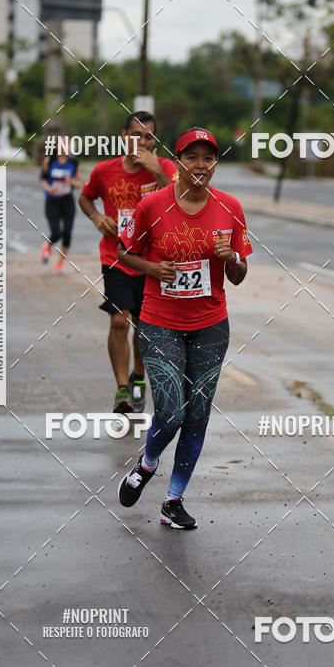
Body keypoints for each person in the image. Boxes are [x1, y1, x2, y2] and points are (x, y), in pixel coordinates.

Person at [116, 127, 252, 529]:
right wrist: (153, 269)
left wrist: (231, 260)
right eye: (191, 157)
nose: (200, 166)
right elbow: (125, 252)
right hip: (160, 323)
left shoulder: (230, 208)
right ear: (177, 163)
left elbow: (240, 275)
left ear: (215, 163)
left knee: (198, 416)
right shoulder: (152, 205)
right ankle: (146, 465)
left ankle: (173, 501)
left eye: (207, 158)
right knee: (172, 412)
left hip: (211, 325)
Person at [78, 111, 178, 414]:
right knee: (119, 320)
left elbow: (177, 199)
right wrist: (97, 217)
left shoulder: (166, 168)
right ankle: (122, 389)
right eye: (136, 135)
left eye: (149, 136)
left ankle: (138, 377)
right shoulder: (104, 171)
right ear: (124, 137)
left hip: (152, 260)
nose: (143, 141)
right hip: (116, 256)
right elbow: (85, 197)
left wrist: (156, 171)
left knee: (144, 327)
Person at [40, 142, 81, 272]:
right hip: (52, 201)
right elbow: (43, 179)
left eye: (68, 144)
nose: (66, 147)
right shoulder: (49, 160)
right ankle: (47, 245)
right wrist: (49, 189)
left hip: (67, 201)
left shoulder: (74, 162)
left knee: (67, 233)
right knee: (56, 233)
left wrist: (72, 182)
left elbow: (79, 183)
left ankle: (59, 263)